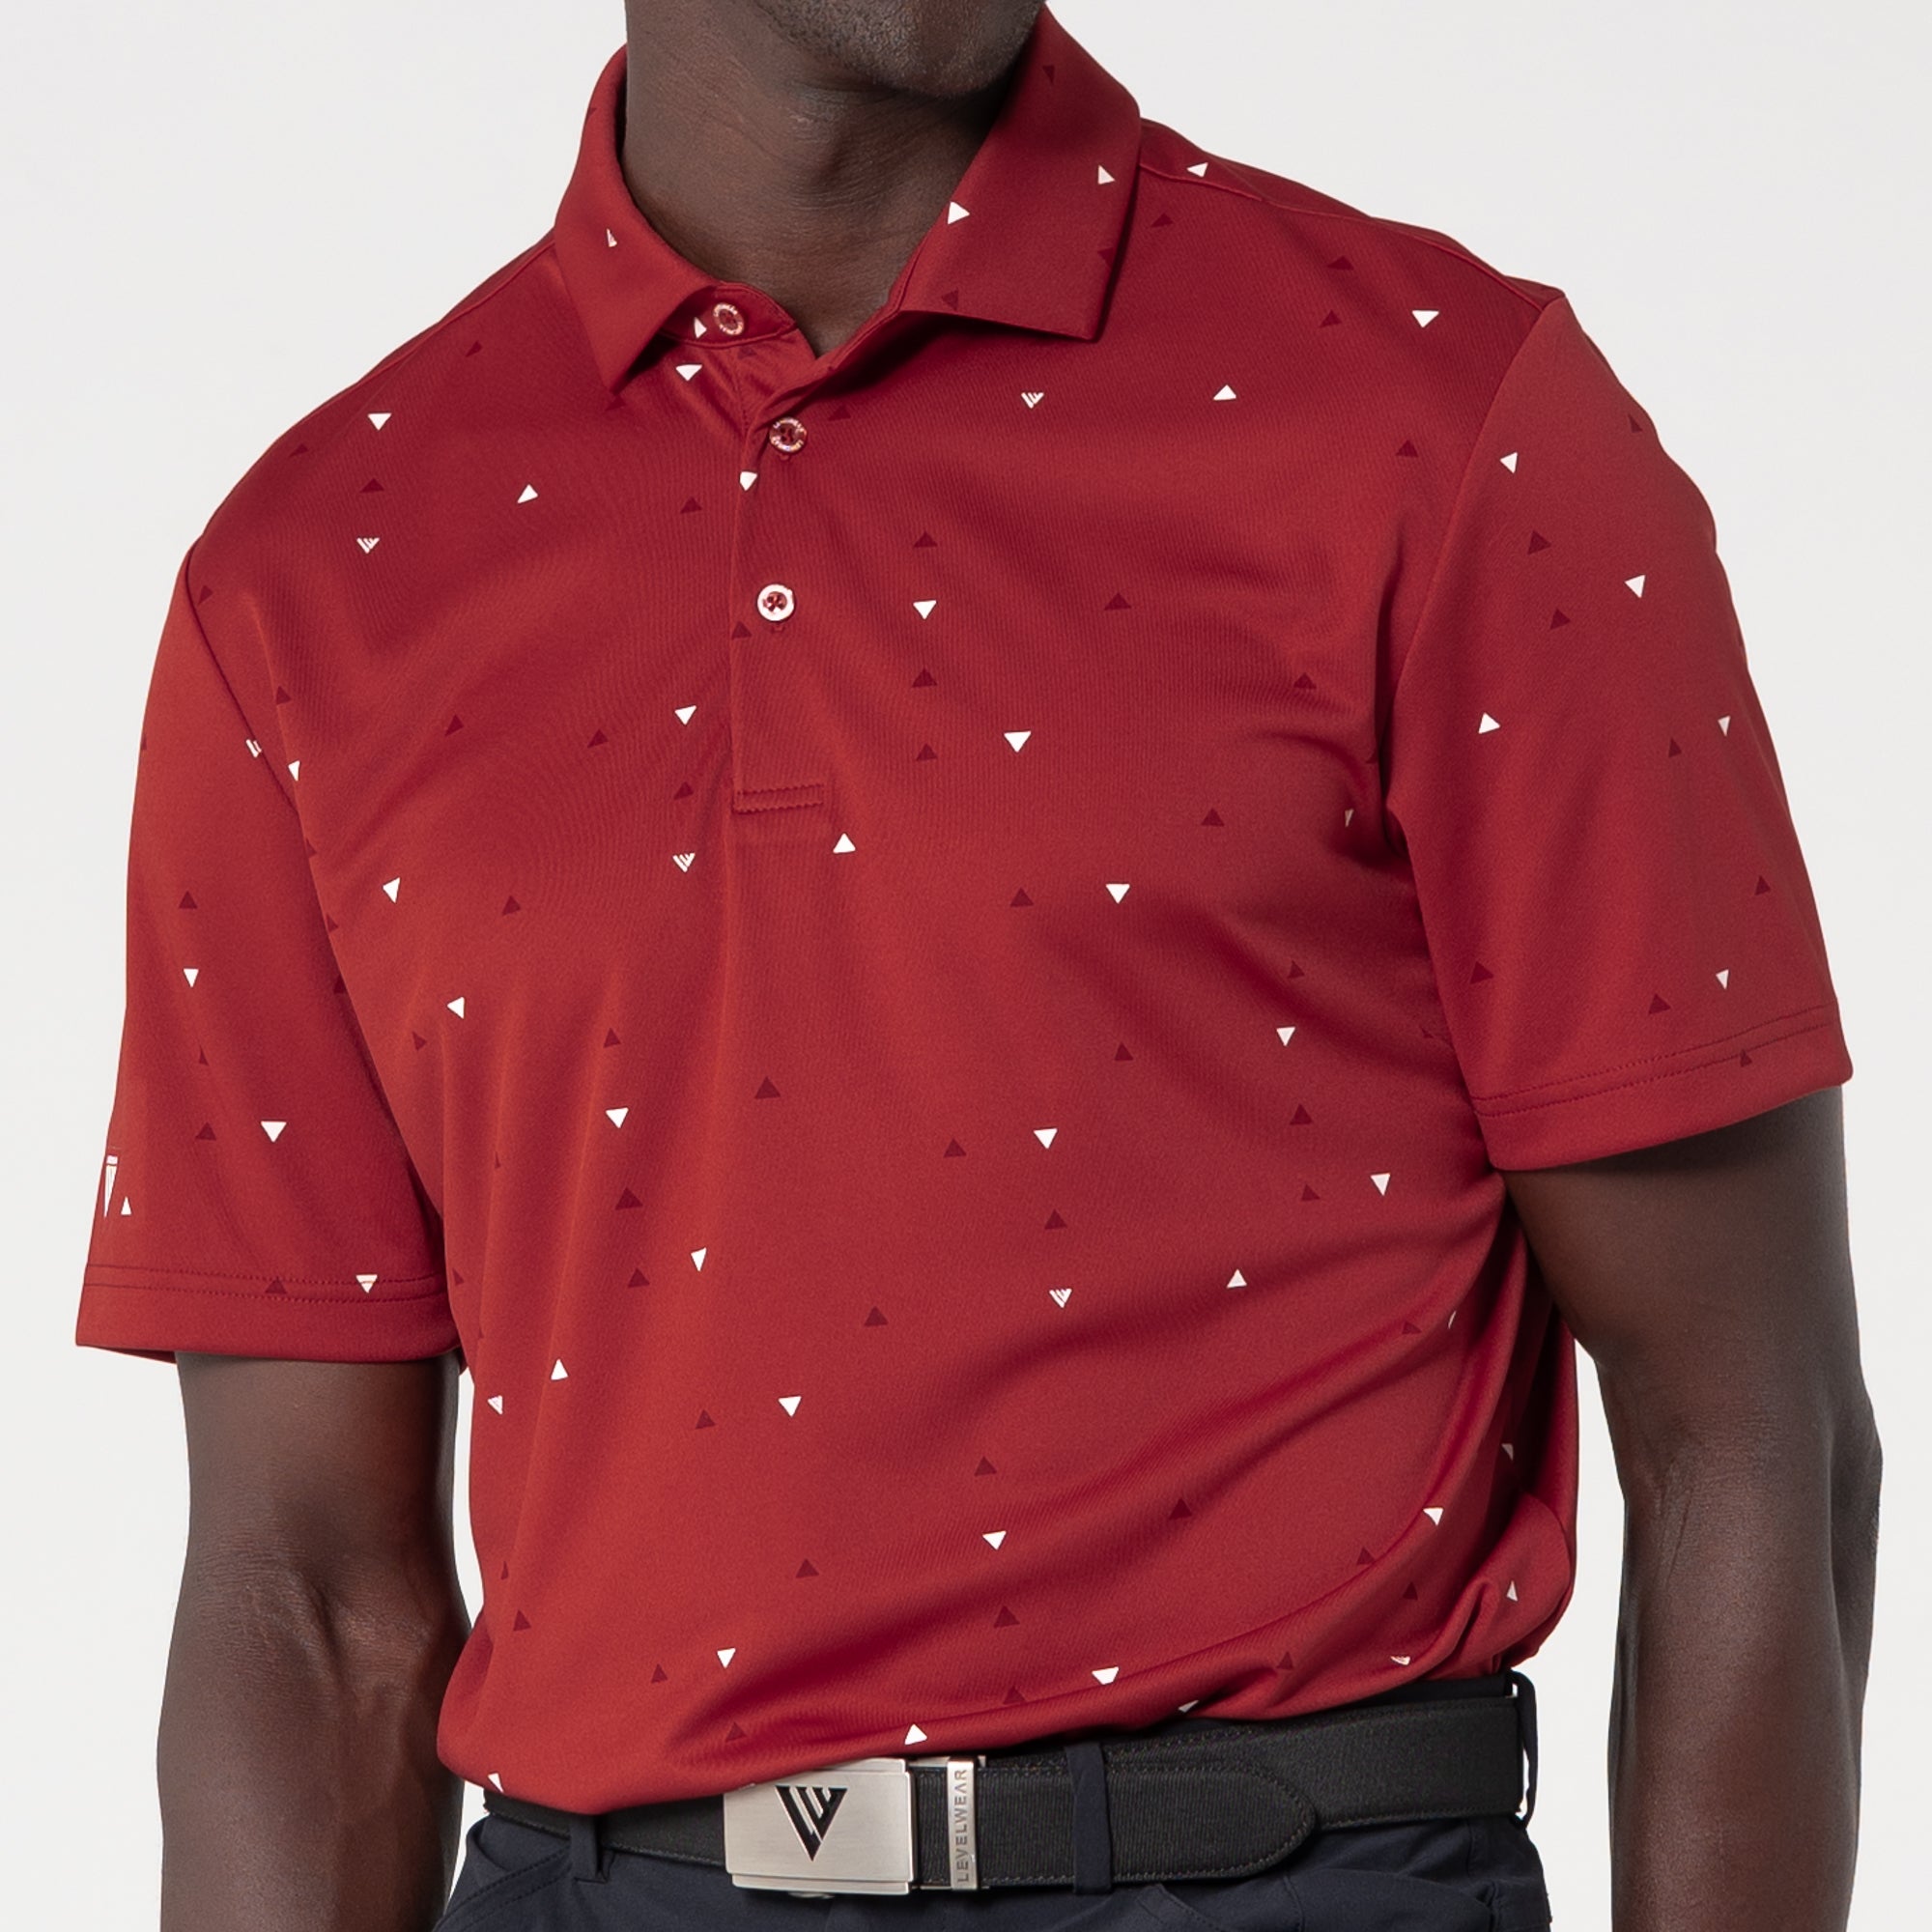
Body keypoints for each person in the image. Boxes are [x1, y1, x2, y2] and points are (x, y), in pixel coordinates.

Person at [74, 3, 1880, 1927]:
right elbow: (305, 1597)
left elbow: (1749, 1430)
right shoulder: (312, 574)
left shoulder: (1444, 417)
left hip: (1287, 1873)